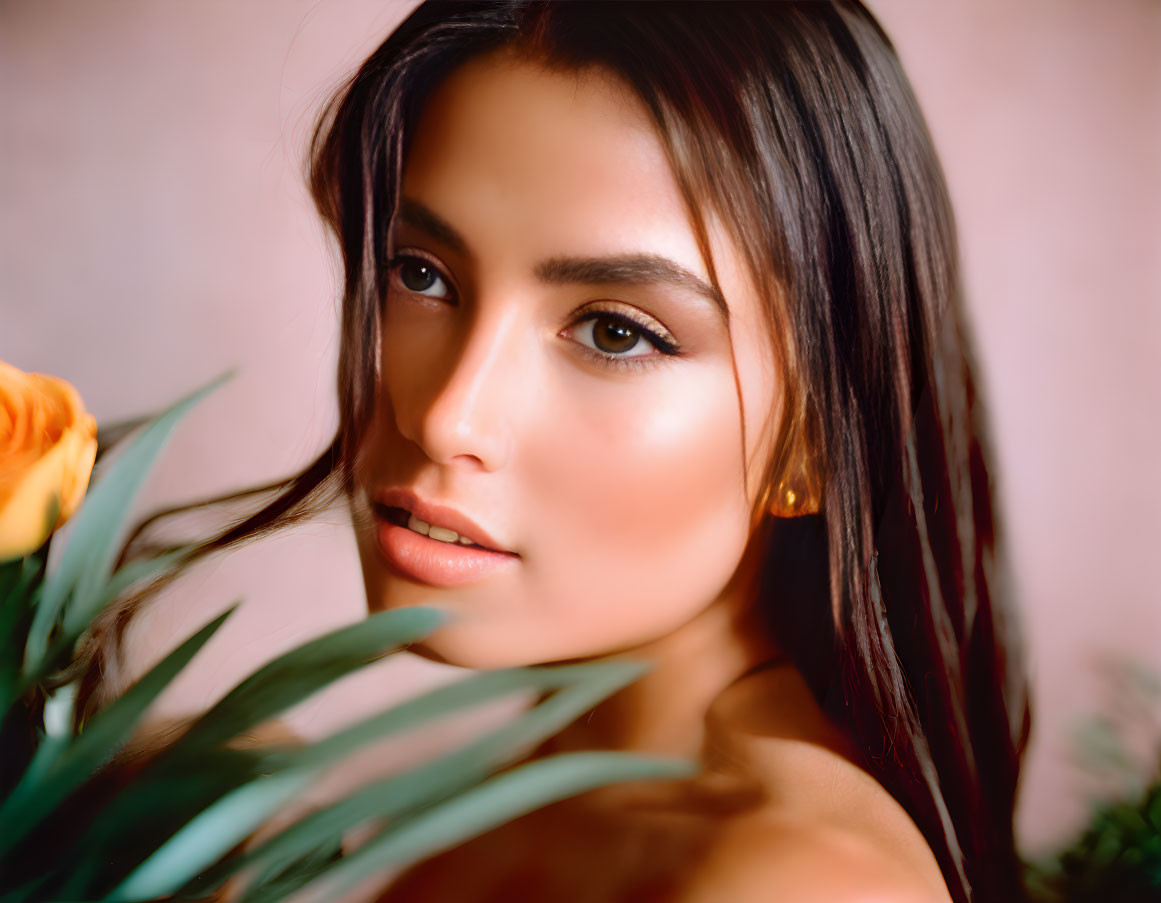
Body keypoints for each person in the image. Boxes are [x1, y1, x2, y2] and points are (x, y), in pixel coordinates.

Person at [77, 2, 1033, 901]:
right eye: (421, 273)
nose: (446, 416)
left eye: (616, 332)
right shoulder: (472, 789)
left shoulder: (799, 881)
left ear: (816, 443)